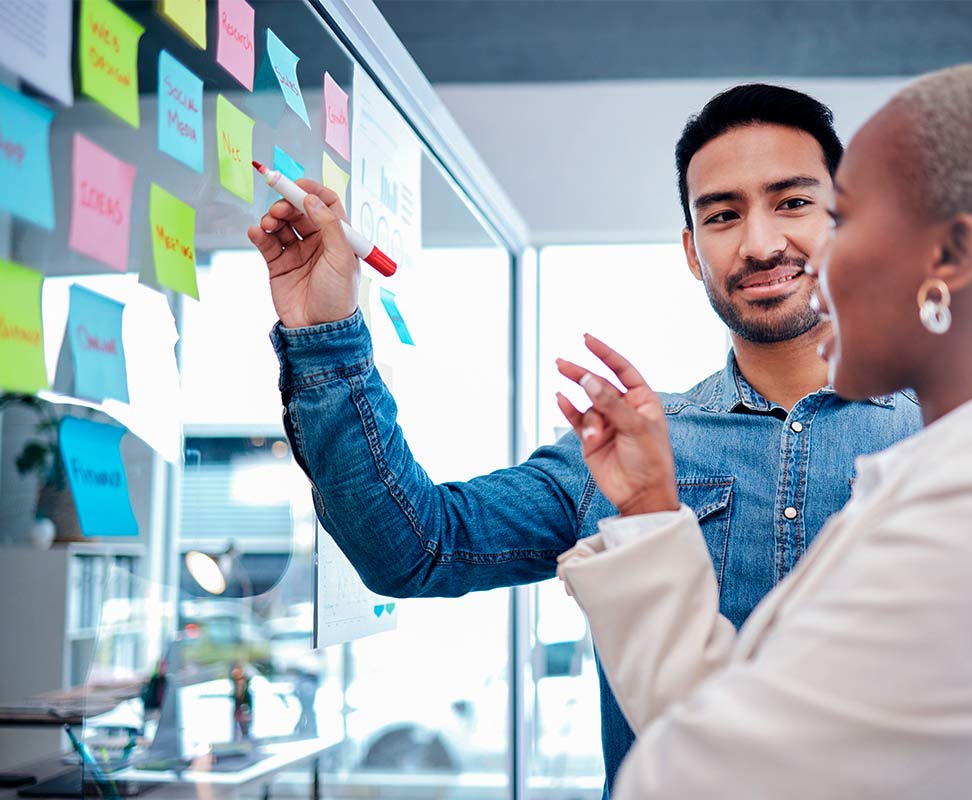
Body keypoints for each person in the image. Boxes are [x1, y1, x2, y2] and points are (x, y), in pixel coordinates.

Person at [246, 84, 922, 786]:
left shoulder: (943, 435)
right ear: (693, 251)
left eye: (793, 202)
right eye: (723, 215)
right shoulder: (626, 449)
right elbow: (416, 548)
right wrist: (323, 334)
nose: (759, 242)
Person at [554, 62, 972, 799]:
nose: (800, 260)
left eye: (837, 218)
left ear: (948, 258)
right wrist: (655, 512)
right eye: (723, 216)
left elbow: (709, 781)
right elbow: (748, 728)